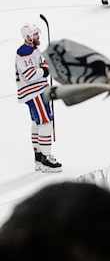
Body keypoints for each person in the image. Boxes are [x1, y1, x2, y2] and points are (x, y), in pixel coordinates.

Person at [15, 24, 61, 172]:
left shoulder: (32, 49)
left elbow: (40, 65)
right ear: (28, 37)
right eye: (34, 34)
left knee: (38, 123)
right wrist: (44, 71)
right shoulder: (25, 52)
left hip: (35, 92)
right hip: (34, 92)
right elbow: (29, 74)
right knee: (46, 122)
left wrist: (46, 64)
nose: (37, 36)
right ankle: (46, 160)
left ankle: (39, 158)